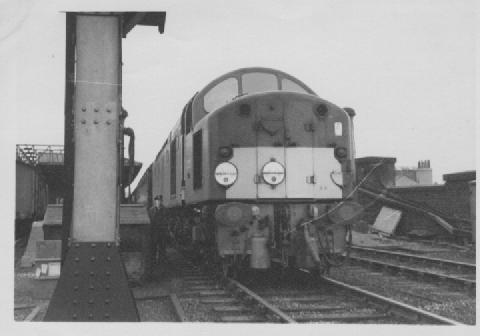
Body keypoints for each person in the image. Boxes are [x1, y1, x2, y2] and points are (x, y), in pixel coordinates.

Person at [149, 195, 167, 263]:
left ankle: (161, 260)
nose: (158, 202)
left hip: (162, 231)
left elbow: (166, 220)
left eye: (159, 200)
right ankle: (153, 260)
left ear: (161, 201)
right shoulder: (151, 210)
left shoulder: (165, 209)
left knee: (162, 247)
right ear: (155, 201)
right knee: (153, 246)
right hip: (154, 231)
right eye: (157, 201)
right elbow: (150, 220)